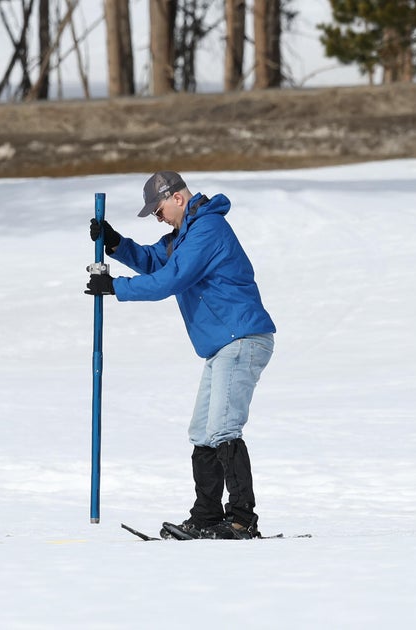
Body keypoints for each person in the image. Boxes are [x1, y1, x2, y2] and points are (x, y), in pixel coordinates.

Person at [86, 170, 276, 540]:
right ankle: (206, 516)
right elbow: (155, 261)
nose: (158, 219)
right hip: (222, 344)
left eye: (158, 211)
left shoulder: (207, 230)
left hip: (241, 337)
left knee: (223, 428)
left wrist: (116, 287)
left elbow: (172, 279)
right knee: (202, 432)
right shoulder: (185, 235)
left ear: (177, 197)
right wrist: (115, 243)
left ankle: (242, 520)